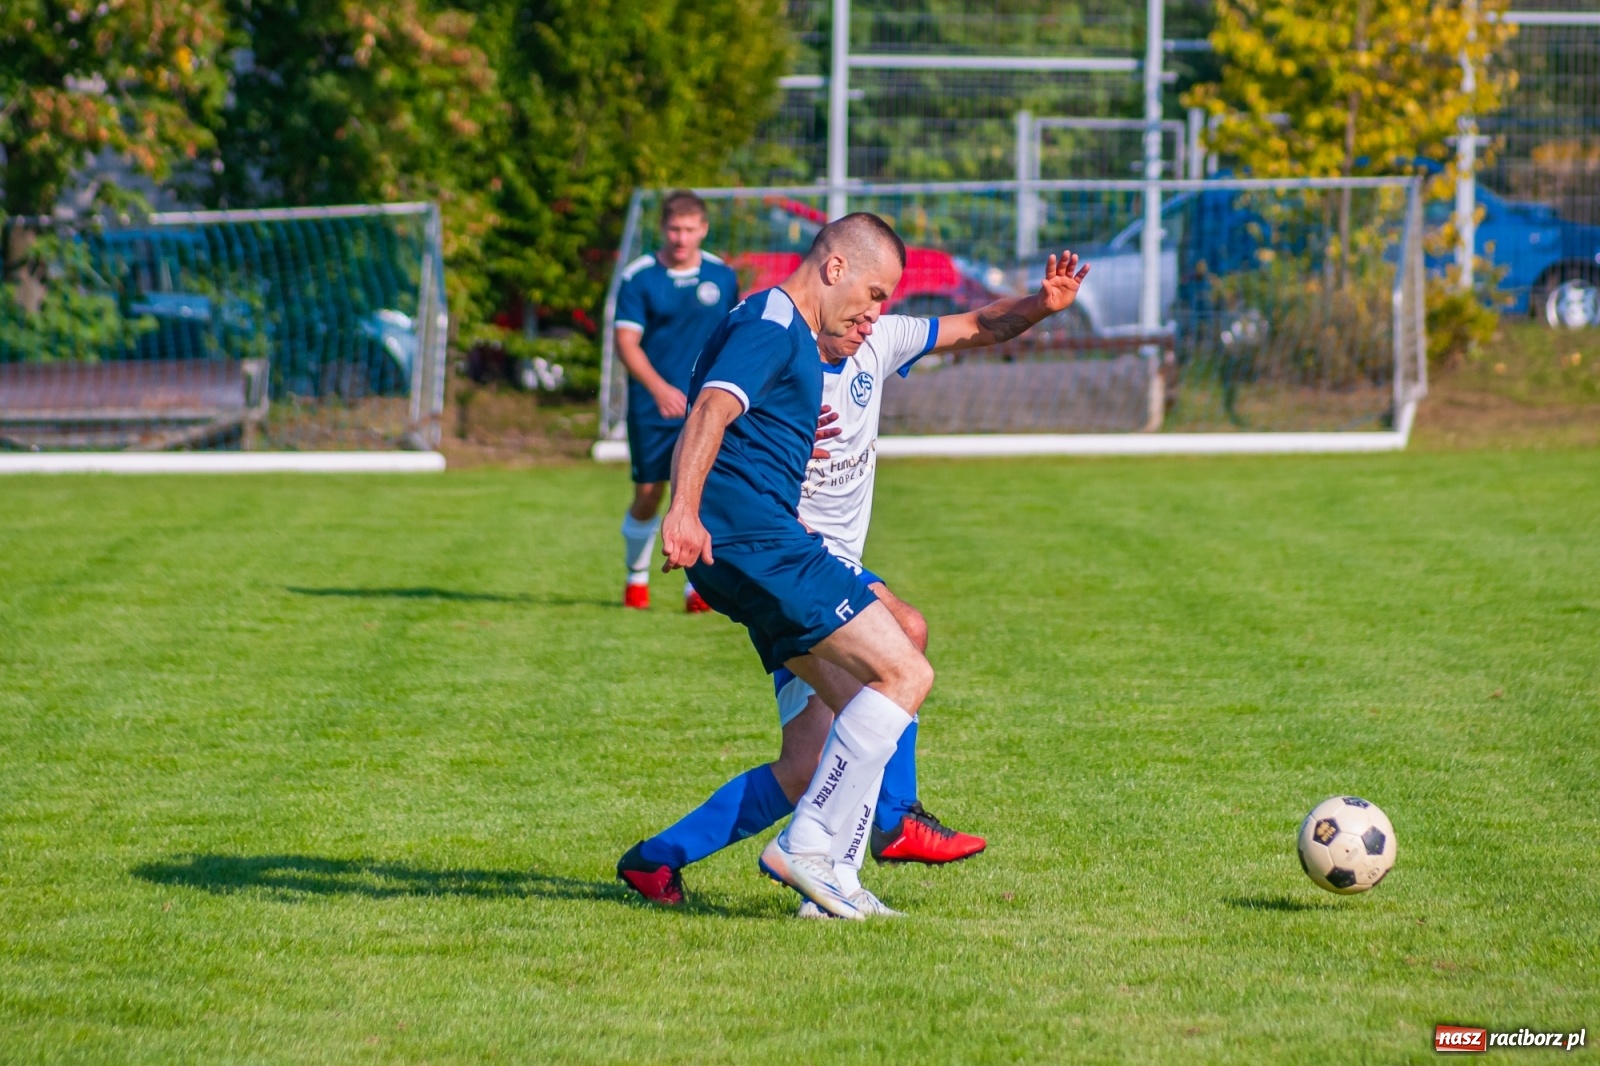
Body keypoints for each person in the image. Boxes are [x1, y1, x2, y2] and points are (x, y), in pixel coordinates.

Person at [617, 215, 1089, 918]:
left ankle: (818, 878)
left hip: (747, 549)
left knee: (829, 739)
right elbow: (710, 408)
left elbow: (976, 326)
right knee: (905, 667)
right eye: (872, 294)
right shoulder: (773, 323)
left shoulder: (803, 336)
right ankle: (840, 838)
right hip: (764, 543)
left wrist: (1040, 306)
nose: (875, 314)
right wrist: (682, 509)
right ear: (834, 268)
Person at [614, 190, 740, 612]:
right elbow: (626, 342)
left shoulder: (722, 276)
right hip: (653, 408)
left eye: (689, 229)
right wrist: (659, 388)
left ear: (703, 229)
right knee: (650, 493)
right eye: (673, 229)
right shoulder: (640, 277)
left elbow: (735, 336)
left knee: (701, 493)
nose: (681, 238)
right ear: (663, 229)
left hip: (706, 407)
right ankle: (636, 579)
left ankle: (696, 589)